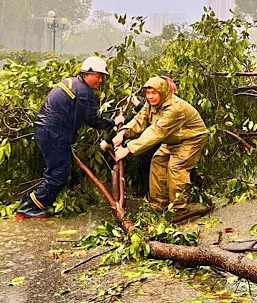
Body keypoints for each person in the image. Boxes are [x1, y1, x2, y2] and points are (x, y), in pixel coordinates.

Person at [16, 56, 124, 219]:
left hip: (48, 132)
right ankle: (29, 206)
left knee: (64, 169)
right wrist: (112, 123)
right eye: (98, 76)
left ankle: (69, 192)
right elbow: (91, 118)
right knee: (58, 173)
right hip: (53, 134)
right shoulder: (83, 91)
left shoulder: (73, 83)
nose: (100, 80)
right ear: (88, 73)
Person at [112, 76, 208, 216]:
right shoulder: (151, 104)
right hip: (173, 139)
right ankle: (158, 205)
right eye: (148, 93)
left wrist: (128, 149)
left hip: (191, 139)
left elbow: (156, 131)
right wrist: (123, 132)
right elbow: (141, 119)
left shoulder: (174, 108)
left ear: (162, 92)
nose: (150, 97)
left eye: (154, 93)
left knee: (176, 167)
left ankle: (178, 209)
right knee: (157, 162)